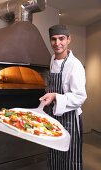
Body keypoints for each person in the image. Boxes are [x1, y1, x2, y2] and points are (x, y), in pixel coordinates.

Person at [39, 25, 87, 170]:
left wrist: (54, 96)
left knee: (69, 157)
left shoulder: (75, 65)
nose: (57, 43)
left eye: (61, 39)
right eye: (53, 39)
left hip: (69, 119)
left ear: (68, 39)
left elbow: (80, 97)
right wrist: (50, 94)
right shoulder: (53, 59)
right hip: (53, 116)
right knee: (54, 154)